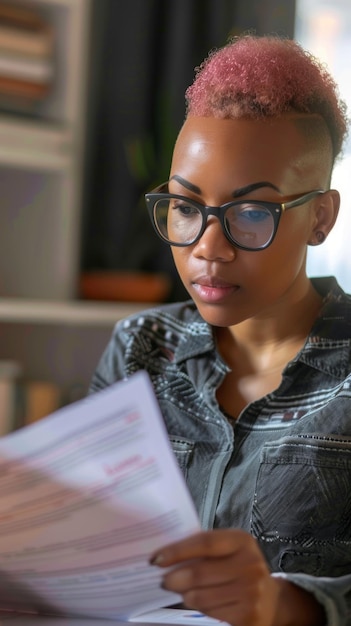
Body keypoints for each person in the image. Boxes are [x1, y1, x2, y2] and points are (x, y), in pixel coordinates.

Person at [90, 34, 351, 626]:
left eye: (252, 212)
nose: (208, 249)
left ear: (321, 217)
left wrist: (286, 605)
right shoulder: (139, 350)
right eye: (186, 207)